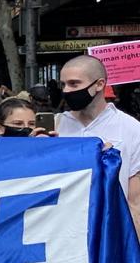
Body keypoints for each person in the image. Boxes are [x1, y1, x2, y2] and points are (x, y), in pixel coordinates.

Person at [57, 54, 140, 227]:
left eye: (74, 84)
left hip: (109, 229)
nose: (66, 91)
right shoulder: (56, 124)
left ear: (99, 84)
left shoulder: (131, 129)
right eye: (63, 84)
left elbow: (135, 201)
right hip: (62, 231)